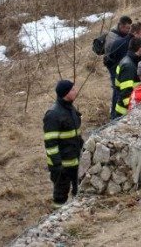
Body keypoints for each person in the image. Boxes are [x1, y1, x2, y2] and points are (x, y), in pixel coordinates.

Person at [43, 79, 83, 208]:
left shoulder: (70, 108)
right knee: (60, 196)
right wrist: (58, 165)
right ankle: (56, 220)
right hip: (61, 166)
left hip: (75, 161)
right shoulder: (53, 115)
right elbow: (50, 143)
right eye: (72, 89)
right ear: (66, 93)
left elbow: (76, 136)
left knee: (79, 191)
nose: (75, 91)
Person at [102, 16, 132, 119]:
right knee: (117, 89)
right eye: (127, 28)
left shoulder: (119, 33)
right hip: (113, 66)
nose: (129, 31)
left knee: (117, 89)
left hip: (115, 64)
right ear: (121, 26)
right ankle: (114, 115)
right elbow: (118, 55)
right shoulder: (114, 38)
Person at [113, 34, 141, 118]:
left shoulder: (129, 60)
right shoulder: (128, 66)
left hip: (126, 108)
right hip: (125, 112)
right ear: (140, 49)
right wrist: (132, 107)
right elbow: (125, 91)